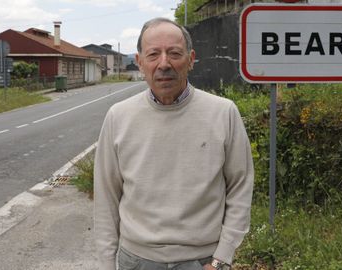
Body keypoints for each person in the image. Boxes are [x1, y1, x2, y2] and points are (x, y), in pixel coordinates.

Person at [94, 17, 254, 270]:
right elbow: (106, 197)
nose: (164, 64)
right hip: (136, 260)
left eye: (174, 53)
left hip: (203, 261)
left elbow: (240, 186)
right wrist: (105, 264)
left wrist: (222, 259)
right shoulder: (118, 116)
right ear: (140, 62)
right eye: (153, 54)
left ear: (191, 59)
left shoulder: (224, 113)